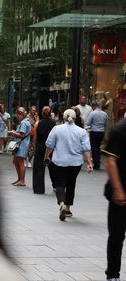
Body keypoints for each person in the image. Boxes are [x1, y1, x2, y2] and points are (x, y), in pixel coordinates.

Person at [45, 109, 93, 221]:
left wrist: (46, 156)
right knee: (71, 184)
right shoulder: (81, 132)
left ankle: (61, 203)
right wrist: (89, 162)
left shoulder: (57, 129)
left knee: (59, 185)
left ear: (64, 117)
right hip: (75, 163)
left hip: (59, 161)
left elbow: (49, 145)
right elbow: (86, 149)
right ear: (75, 118)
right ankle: (68, 208)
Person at [102, 119, 126, 281]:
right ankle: (112, 275)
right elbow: (110, 162)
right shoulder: (119, 130)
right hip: (121, 194)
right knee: (117, 235)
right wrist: (118, 190)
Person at [32, 106, 56, 194]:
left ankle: (39, 189)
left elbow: (35, 137)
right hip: (50, 148)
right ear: (50, 113)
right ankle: (56, 185)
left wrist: (34, 146)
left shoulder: (38, 123)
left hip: (40, 147)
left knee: (38, 168)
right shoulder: (54, 124)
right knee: (53, 167)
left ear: (42, 113)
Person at [8, 107, 31, 187]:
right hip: (21, 144)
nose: (17, 116)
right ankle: (20, 179)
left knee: (20, 162)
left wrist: (13, 132)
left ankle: (22, 180)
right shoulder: (26, 121)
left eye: (18, 114)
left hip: (21, 144)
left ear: (22, 114)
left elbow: (22, 135)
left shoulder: (24, 123)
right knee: (16, 161)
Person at [87, 101, 109, 170]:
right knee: (98, 147)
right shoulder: (105, 114)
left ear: (93, 106)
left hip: (94, 131)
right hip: (101, 132)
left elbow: (88, 123)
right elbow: (107, 123)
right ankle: (98, 162)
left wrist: (92, 125)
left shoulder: (92, 113)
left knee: (94, 148)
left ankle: (96, 163)